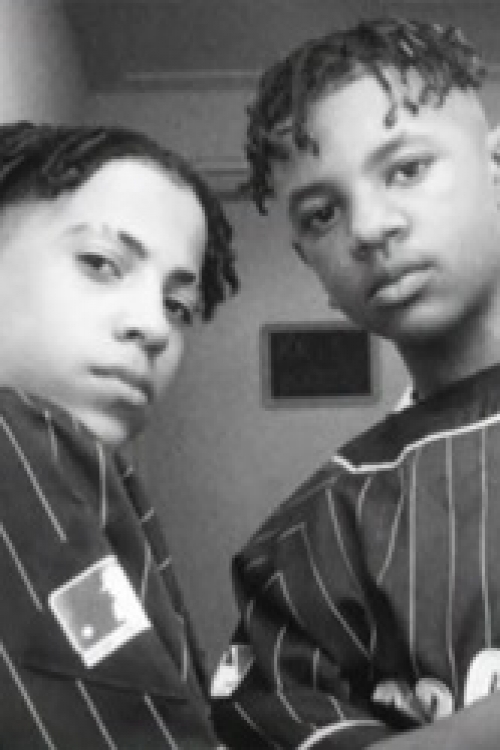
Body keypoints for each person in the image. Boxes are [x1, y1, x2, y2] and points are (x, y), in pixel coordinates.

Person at [211, 16, 500, 750]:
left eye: (406, 169)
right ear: (312, 267)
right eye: (322, 213)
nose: (368, 228)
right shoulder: (310, 545)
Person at [0, 121, 238, 748]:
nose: (154, 326)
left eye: (178, 307)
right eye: (101, 264)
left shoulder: (69, 468)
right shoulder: (18, 444)